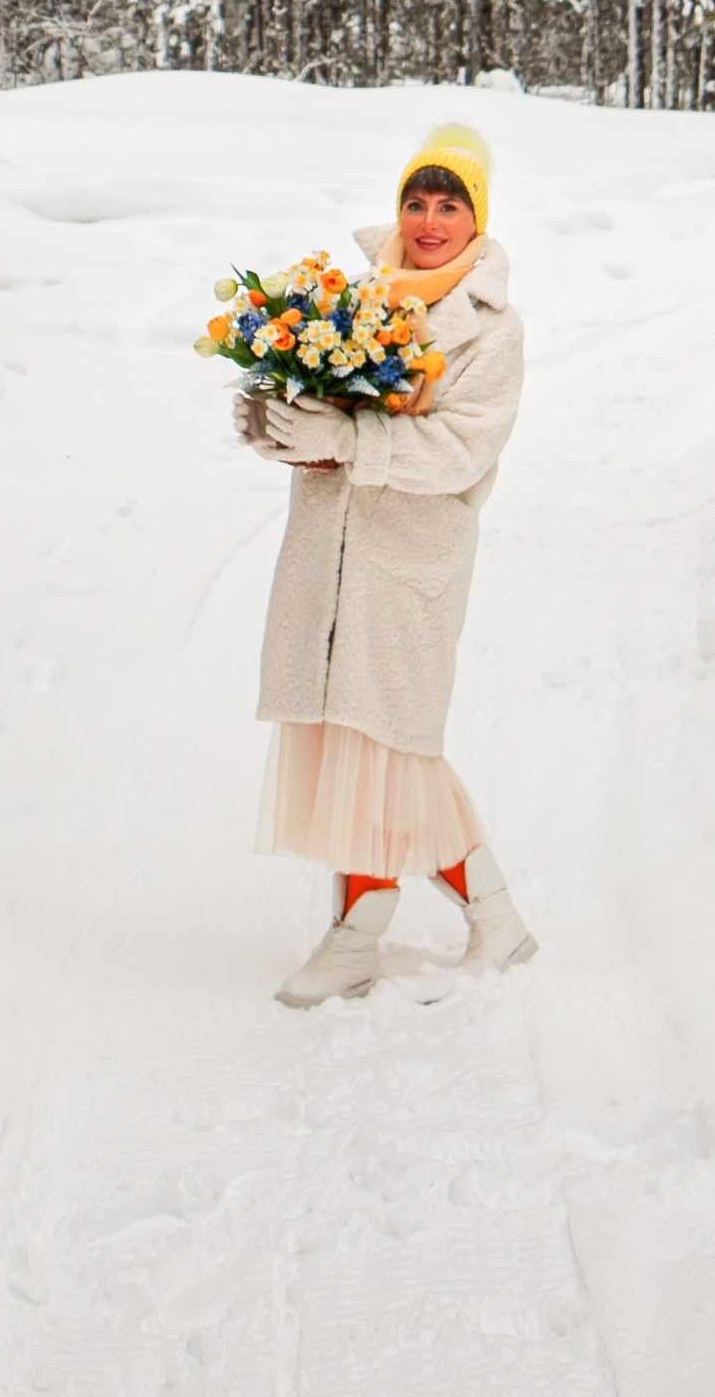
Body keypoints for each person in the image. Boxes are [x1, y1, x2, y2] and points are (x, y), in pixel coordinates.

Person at [239, 116, 536, 1006]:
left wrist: (352, 439)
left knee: (388, 744)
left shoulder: (492, 327)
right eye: (418, 200)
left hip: (409, 560)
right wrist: (282, 429)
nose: (431, 219)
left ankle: (357, 939)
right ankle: (496, 916)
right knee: (369, 745)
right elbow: (320, 419)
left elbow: (461, 453)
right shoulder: (351, 299)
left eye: (451, 204)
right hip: (328, 554)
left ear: (477, 219)